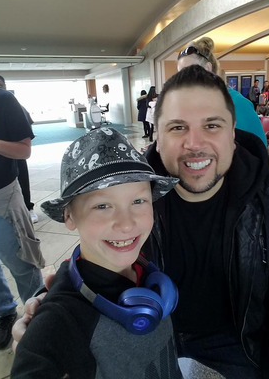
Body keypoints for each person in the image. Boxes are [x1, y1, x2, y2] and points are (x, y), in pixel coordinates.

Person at [15, 65, 269, 378]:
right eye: (178, 127)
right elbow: (100, 237)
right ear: (158, 135)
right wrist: (55, 304)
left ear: (233, 133)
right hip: (143, 335)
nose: (194, 143)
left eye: (212, 126)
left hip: (238, 346)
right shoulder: (134, 186)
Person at [11, 128, 182, 378]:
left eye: (138, 201)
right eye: (102, 206)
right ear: (69, 216)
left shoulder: (147, 266)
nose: (126, 224)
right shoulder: (61, 317)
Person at [0, 77, 45, 350]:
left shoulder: (1, 100)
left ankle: (38, 319)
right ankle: (4, 313)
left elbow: (25, 150)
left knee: (22, 265)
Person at [175, 37, 268, 148]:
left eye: (188, 72)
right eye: (180, 74)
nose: (183, 80)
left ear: (207, 68)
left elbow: (259, 151)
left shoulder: (236, 103)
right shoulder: (191, 106)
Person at [0, 74, 39, 223]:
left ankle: (28, 208)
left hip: (15, 150)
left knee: (22, 177)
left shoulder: (11, 103)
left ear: (5, 85)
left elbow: (26, 127)